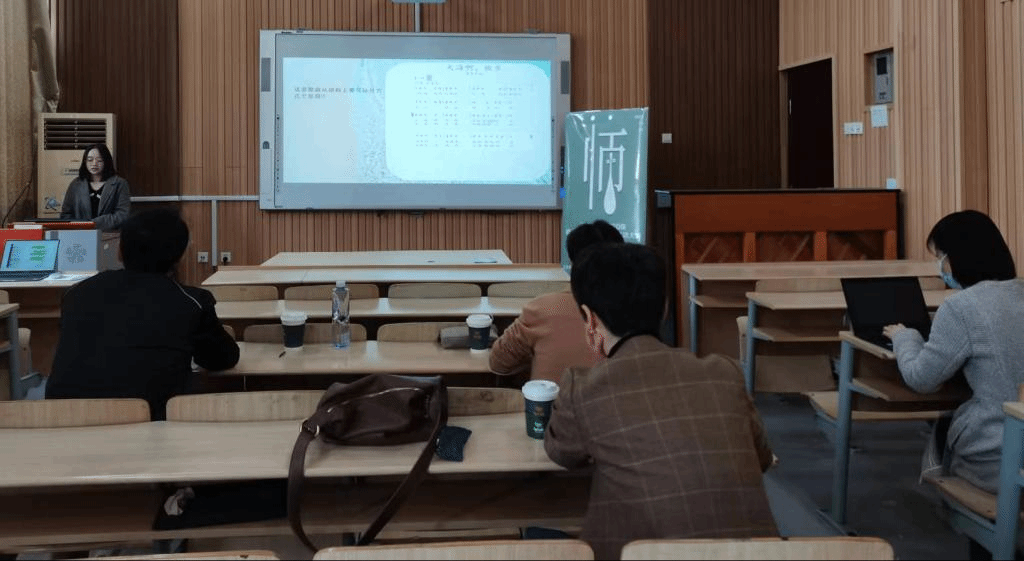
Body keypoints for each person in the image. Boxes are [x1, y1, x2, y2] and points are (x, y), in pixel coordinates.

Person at [544, 242, 777, 560]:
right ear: (665, 308)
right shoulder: (723, 372)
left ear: (590, 319)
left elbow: (562, 452)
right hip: (758, 554)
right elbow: (761, 458)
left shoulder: (584, 386)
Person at [46, 208, 239, 420]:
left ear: (119, 252)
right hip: (148, 425)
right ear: (180, 256)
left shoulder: (76, 293)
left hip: (63, 420)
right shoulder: (191, 301)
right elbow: (223, 358)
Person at [883, 210, 1024, 493]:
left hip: (999, 455)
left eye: (940, 257)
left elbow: (921, 379)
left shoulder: (960, 307)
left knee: (946, 426)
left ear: (957, 257)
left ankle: (957, 509)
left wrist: (905, 337)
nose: (940, 266)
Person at [489, 220, 624, 383]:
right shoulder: (637, 314)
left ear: (572, 262)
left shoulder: (541, 308)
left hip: (553, 399)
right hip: (617, 399)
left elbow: (498, 362)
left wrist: (534, 357)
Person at [60, 143, 131, 231]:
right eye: (90, 160)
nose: (94, 164)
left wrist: (93, 224)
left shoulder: (119, 184)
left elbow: (122, 215)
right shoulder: (76, 184)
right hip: (80, 234)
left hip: (109, 234)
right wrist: (80, 226)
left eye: (99, 160)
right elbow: (65, 215)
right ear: (85, 162)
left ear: (106, 161)